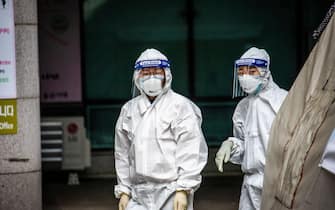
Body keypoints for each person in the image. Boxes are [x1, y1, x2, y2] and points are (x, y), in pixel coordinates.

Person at [114, 48, 208, 210]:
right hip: (138, 194)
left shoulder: (180, 106)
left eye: (157, 72)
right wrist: (124, 190)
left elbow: (191, 149)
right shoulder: (129, 110)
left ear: (166, 74)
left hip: (171, 191)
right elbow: (122, 153)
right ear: (137, 77)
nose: (152, 77)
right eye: (146, 72)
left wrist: (183, 188)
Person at [215, 47, 287, 210]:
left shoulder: (285, 100)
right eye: (241, 71)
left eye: (252, 70)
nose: (245, 76)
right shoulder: (243, 107)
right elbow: (245, 146)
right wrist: (232, 145)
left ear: (265, 71)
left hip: (279, 184)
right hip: (251, 185)